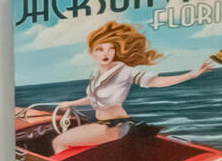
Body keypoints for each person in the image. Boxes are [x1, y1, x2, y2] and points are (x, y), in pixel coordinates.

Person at [51, 21, 212, 152]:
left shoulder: (124, 71)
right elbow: (94, 99)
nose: (106, 53)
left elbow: (155, 82)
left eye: (110, 48)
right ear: (91, 52)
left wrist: (191, 74)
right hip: (102, 124)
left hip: (113, 127)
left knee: (59, 143)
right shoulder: (95, 74)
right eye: (100, 49)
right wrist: (72, 104)